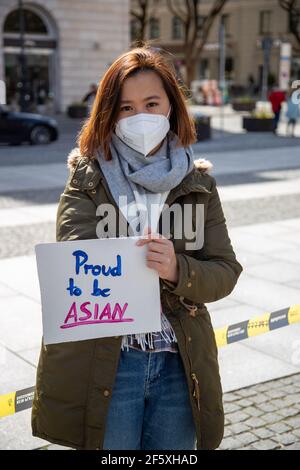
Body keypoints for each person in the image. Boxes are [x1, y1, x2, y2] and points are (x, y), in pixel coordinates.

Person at [31, 44, 243, 451]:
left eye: (151, 103)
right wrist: (125, 258)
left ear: (171, 108)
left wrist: (179, 269)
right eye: (126, 107)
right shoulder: (87, 177)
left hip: (179, 364)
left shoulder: (199, 184)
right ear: (109, 113)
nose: (140, 116)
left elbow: (225, 269)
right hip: (111, 364)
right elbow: (74, 252)